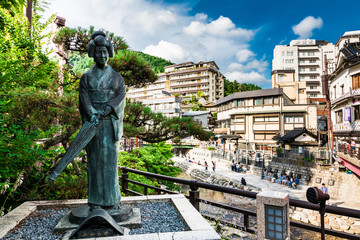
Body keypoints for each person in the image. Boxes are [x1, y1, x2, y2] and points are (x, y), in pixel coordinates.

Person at [79, 31, 126, 210]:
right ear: (93, 53)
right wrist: (91, 113)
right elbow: (84, 98)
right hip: (94, 123)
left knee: (110, 163)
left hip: (110, 122)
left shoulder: (117, 77)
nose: (102, 55)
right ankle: (96, 202)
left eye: (105, 52)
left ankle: (112, 200)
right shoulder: (86, 77)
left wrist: (108, 108)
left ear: (109, 53)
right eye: (98, 52)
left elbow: (121, 96)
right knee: (94, 162)